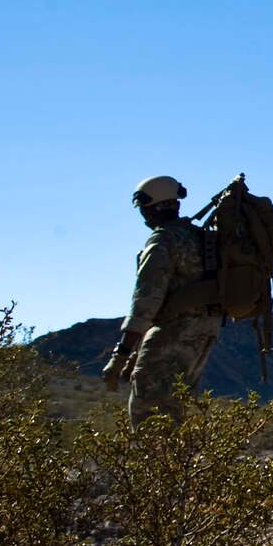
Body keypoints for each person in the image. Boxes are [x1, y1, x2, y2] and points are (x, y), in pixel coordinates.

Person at [105, 175, 222, 427]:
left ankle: (155, 466)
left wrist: (121, 354)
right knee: (174, 410)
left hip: (173, 332)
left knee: (149, 413)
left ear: (153, 207)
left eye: (144, 210)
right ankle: (176, 465)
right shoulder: (200, 237)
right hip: (205, 334)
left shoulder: (162, 241)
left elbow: (146, 302)